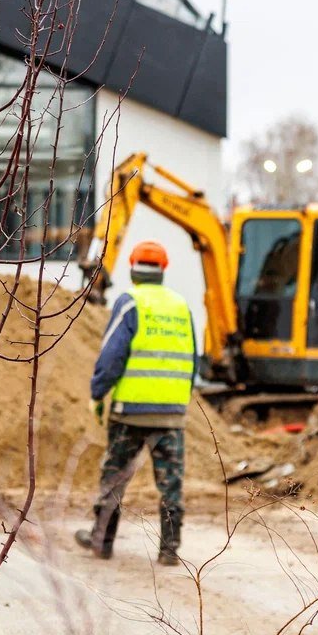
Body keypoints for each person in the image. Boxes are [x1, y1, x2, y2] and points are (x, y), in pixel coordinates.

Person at [75, 240, 197, 566]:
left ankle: (102, 542)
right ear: (164, 269)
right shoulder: (181, 307)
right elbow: (192, 361)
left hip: (130, 411)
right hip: (171, 413)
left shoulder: (130, 303)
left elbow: (112, 355)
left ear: (131, 268)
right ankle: (169, 549)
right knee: (171, 482)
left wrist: (98, 392)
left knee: (114, 477)